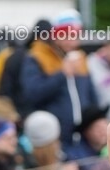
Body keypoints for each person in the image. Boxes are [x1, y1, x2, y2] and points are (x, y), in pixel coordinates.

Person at [20, 10, 98, 151]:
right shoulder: (38, 57)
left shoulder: (80, 58)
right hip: (54, 139)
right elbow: (32, 94)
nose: (72, 41)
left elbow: (90, 95)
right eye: (67, 36)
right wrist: (62, 74)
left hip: (81, 138)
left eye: (75, 36)